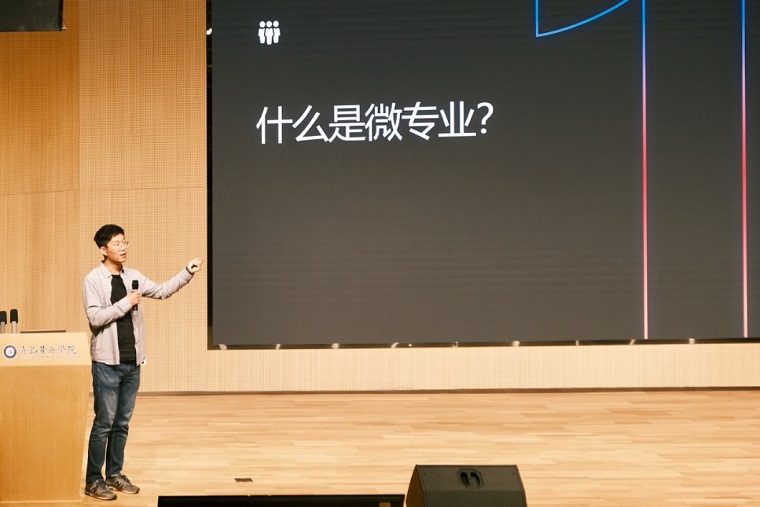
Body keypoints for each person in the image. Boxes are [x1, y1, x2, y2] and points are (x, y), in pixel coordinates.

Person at [82, 224, 203, 501]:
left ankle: (114, 474)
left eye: (125, 242)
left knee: (122, 423)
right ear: (103, 250)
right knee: (104, 424)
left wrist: (187, 272)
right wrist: (126, 303)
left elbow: (162, 290)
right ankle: (93, 479)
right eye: (116, 243)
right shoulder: (93, 280)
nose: (123, 247)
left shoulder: (133, 276)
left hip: (132, 362)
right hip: (106, 364)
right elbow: (95, 318)